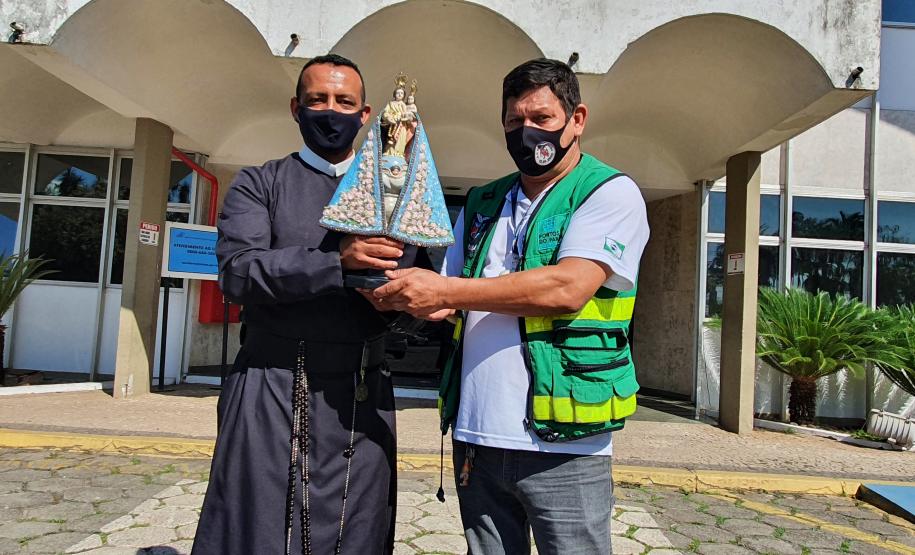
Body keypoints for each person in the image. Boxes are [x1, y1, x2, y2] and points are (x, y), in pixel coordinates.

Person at [374, 58, 650, 555]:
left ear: (577, 119)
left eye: (541, 119)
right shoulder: (483, 200)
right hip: (477, 435)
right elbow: (448, 291)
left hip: (565, 442)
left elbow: (567, 288)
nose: (527, 132)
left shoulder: (610, 192)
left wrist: (446, 293)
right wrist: (403, 289)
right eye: (513, 121)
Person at [193, 54, 423, 555]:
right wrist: (334, 265)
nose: (330, 111)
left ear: (366, 116)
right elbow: (238, 273)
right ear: (296, 109)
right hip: (271, 383)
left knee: (356, 532)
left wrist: (415, 307)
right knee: (257, 529)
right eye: (318, 100)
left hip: (362, 394)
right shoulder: (260, 183)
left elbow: (418, 288)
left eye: (344, 101)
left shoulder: (399, 194)